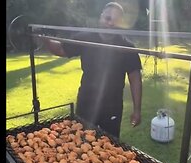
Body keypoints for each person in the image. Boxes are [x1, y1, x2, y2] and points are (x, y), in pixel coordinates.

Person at [41, 2, 142, 139]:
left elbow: (135, 77)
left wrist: (137, 110)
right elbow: (60, 49)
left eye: (116, 20)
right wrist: (45, 39)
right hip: (86, 102)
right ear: (101, 17)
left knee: (109, 145)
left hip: (112, 106)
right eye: (108, 18)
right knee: (80, 141)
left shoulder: (127, 47)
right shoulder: (86, 38)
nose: (111, 23)